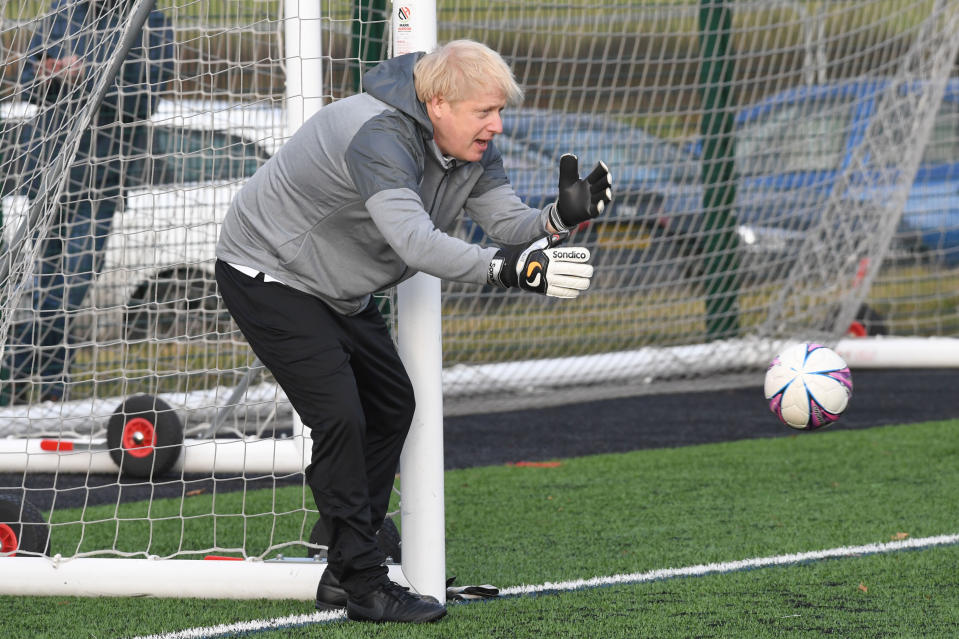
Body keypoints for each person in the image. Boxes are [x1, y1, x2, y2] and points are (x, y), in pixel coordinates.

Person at [214, 39, 612, 623]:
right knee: (341, 418)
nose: (497, 125)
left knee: (392, 405)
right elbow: (416, 242)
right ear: (439, 104)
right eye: (485, 112)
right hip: (268, 273)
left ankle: (343, 563)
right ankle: (364, 581)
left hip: (336, 286)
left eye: (499, 111)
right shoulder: (380, 135)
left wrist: (558, 218)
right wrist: (502, 268)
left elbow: (504, 221)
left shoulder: (468, 143)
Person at [2, 0, 174, 404]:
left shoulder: (151, 22)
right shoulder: (62, 11)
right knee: (46, 285)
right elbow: (27, 82)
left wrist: (85, 75)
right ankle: (51, 391)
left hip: (101, 179)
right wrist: (48, 73)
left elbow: (144, 102)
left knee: (72, 286)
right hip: (44, 172)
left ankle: (11, 369)